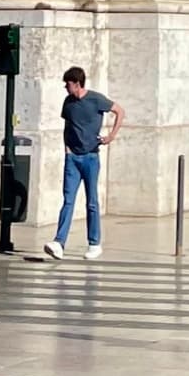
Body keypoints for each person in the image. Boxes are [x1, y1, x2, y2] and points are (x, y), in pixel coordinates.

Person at [43, 64, 121, 262]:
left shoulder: (96, 99)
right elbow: (67, 127)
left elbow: (120, 111)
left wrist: (111, 135)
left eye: (68, 84)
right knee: (68, 200)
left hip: (91, 157)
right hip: (73, 158)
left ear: (77, 84)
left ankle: (94, 243)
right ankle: (59, 242)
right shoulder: (67, 103)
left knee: (92, 201)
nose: (66, 88)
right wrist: (67, 149)